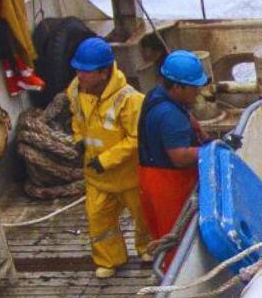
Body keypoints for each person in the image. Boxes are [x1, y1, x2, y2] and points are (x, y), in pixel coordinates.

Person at [66, 36, 147, 279]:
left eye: (85, 71)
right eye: (78, 70)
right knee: (99, 220)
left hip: (128, 176)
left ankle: (148, 248)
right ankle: (109, 259)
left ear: (103, 73)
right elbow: (77, 118)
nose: (80, 76)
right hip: (97, 177)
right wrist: (79, 140)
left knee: (143, 216)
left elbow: (135, 138)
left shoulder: (130, 100)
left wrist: (106, 160)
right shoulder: (75, 91)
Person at [138, 50, 210, 274]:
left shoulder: (156, 95)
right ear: (177, 87)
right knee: (177, 241)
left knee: (163, 234)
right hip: (169, 186)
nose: (198, 91)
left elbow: (183, 112)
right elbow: (179, 157)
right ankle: (176, 281)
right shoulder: (170, 117)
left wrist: (196, 125)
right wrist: (210, 150)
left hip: (148, 176)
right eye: (194, 87)